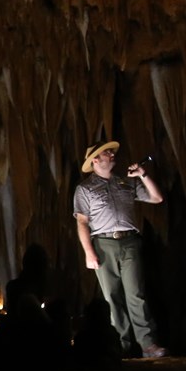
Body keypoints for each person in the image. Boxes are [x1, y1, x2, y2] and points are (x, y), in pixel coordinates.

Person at [72, 140, 167, 358]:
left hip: (129, 241)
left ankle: (148, 345)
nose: (113, 155)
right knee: (111, 297)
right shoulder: (85, 189)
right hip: (103, 243)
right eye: (107, 153)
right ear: (96, 160)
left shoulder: (125, 182)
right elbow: (82, 222)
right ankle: (119, 345)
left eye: (112, 152)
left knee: (136, 294)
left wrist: (143, 174)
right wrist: (88, 252)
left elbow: (157, 197)